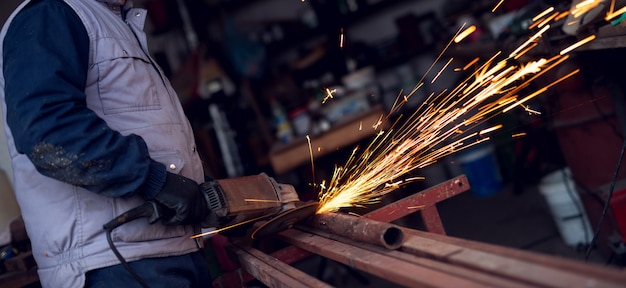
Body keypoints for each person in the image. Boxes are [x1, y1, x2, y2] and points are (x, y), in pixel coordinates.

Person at [0, 0, 213, 287]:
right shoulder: (50, 14)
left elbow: (147, 128)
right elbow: (47, 130)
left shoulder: (113, 22)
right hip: (113, 263)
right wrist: (154, 181)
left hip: (163, 251)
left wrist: (197, 185)